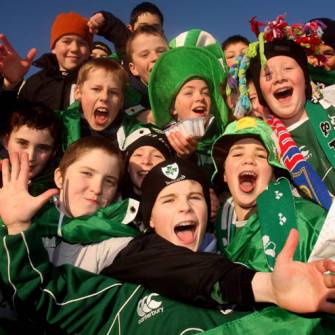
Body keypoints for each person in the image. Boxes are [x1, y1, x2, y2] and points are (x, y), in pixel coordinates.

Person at [2, 155, 335, 334]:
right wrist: (18, 227)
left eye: (194, 197)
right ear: (148, 221)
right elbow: (40, 294)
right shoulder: (116, 283)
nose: (185, 207)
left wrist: (273, 289)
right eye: (169, 200)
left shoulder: (242, 262)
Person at [2, 12, 93, 111]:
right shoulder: (35, 83)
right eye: (66, 41)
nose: (74, 48)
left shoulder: (96, 79)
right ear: (53, 48)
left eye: (82, 43)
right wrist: (10, 86)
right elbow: (12, 121)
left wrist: (110, 27)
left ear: (89, 51)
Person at [59, 57, 127, 150]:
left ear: (121, 101)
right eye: (96, 89)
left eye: (113, 92)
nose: (104, 97)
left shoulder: (133, 133)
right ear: (78, 93)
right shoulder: (58, 125)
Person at [0, 101, 61, 196]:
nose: (30, 156)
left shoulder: (61, 188)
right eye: (22, 143)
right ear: (5, 141)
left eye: (42, 148)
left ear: (54, 152)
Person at [87, 1, 164, 61]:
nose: (149, 32)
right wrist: (105, 21)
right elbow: (117, 29)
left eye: (154, 28)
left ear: (162, 32)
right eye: (143, 27)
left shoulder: (170, 53)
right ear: (130, 29)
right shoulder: (128, 45)